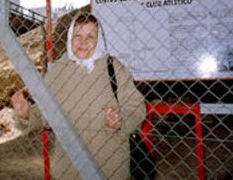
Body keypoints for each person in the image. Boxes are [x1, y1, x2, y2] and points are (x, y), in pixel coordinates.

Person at [11, 12, 146, 179]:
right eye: (78, 35)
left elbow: (137, 106)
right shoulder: (57, 71)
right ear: (69, 37)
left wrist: (121, 118)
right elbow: (45, 115)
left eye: (90, 36)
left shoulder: (115, 68)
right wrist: (26, 114)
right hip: (68, 169)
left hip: (110, 168)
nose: (83, 41)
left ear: (99, 40)